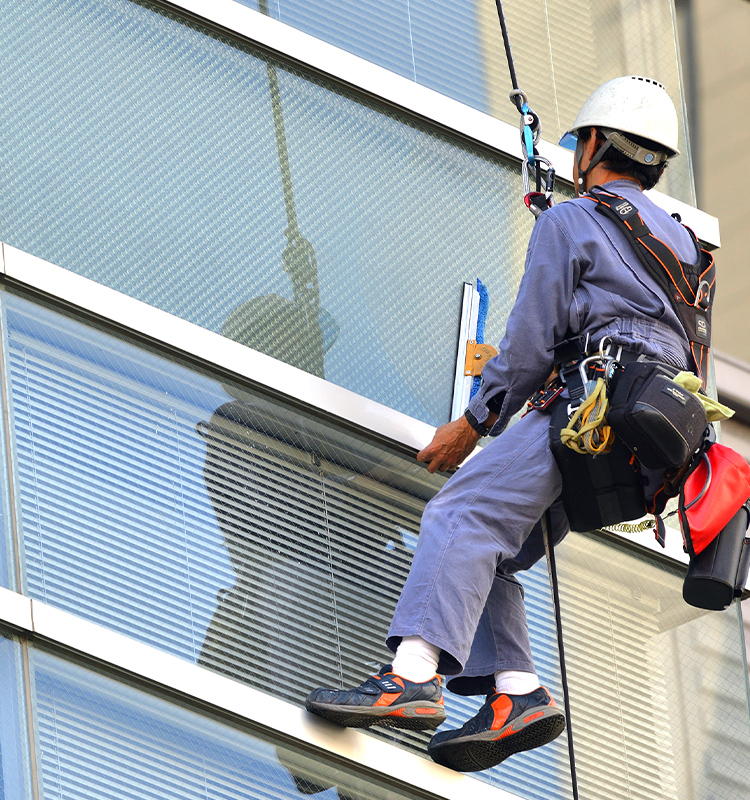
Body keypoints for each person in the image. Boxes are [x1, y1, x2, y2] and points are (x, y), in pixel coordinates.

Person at [305, 76, 701, 773]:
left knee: (460, 517)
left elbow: (528, 342)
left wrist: (475, 421)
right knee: (494, 553)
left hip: (581, 412)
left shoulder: (572, 222)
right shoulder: (690, 252)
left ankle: (412, 677)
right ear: (657, 161)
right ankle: (517, 690)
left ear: (595, 147)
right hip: (636, 451)